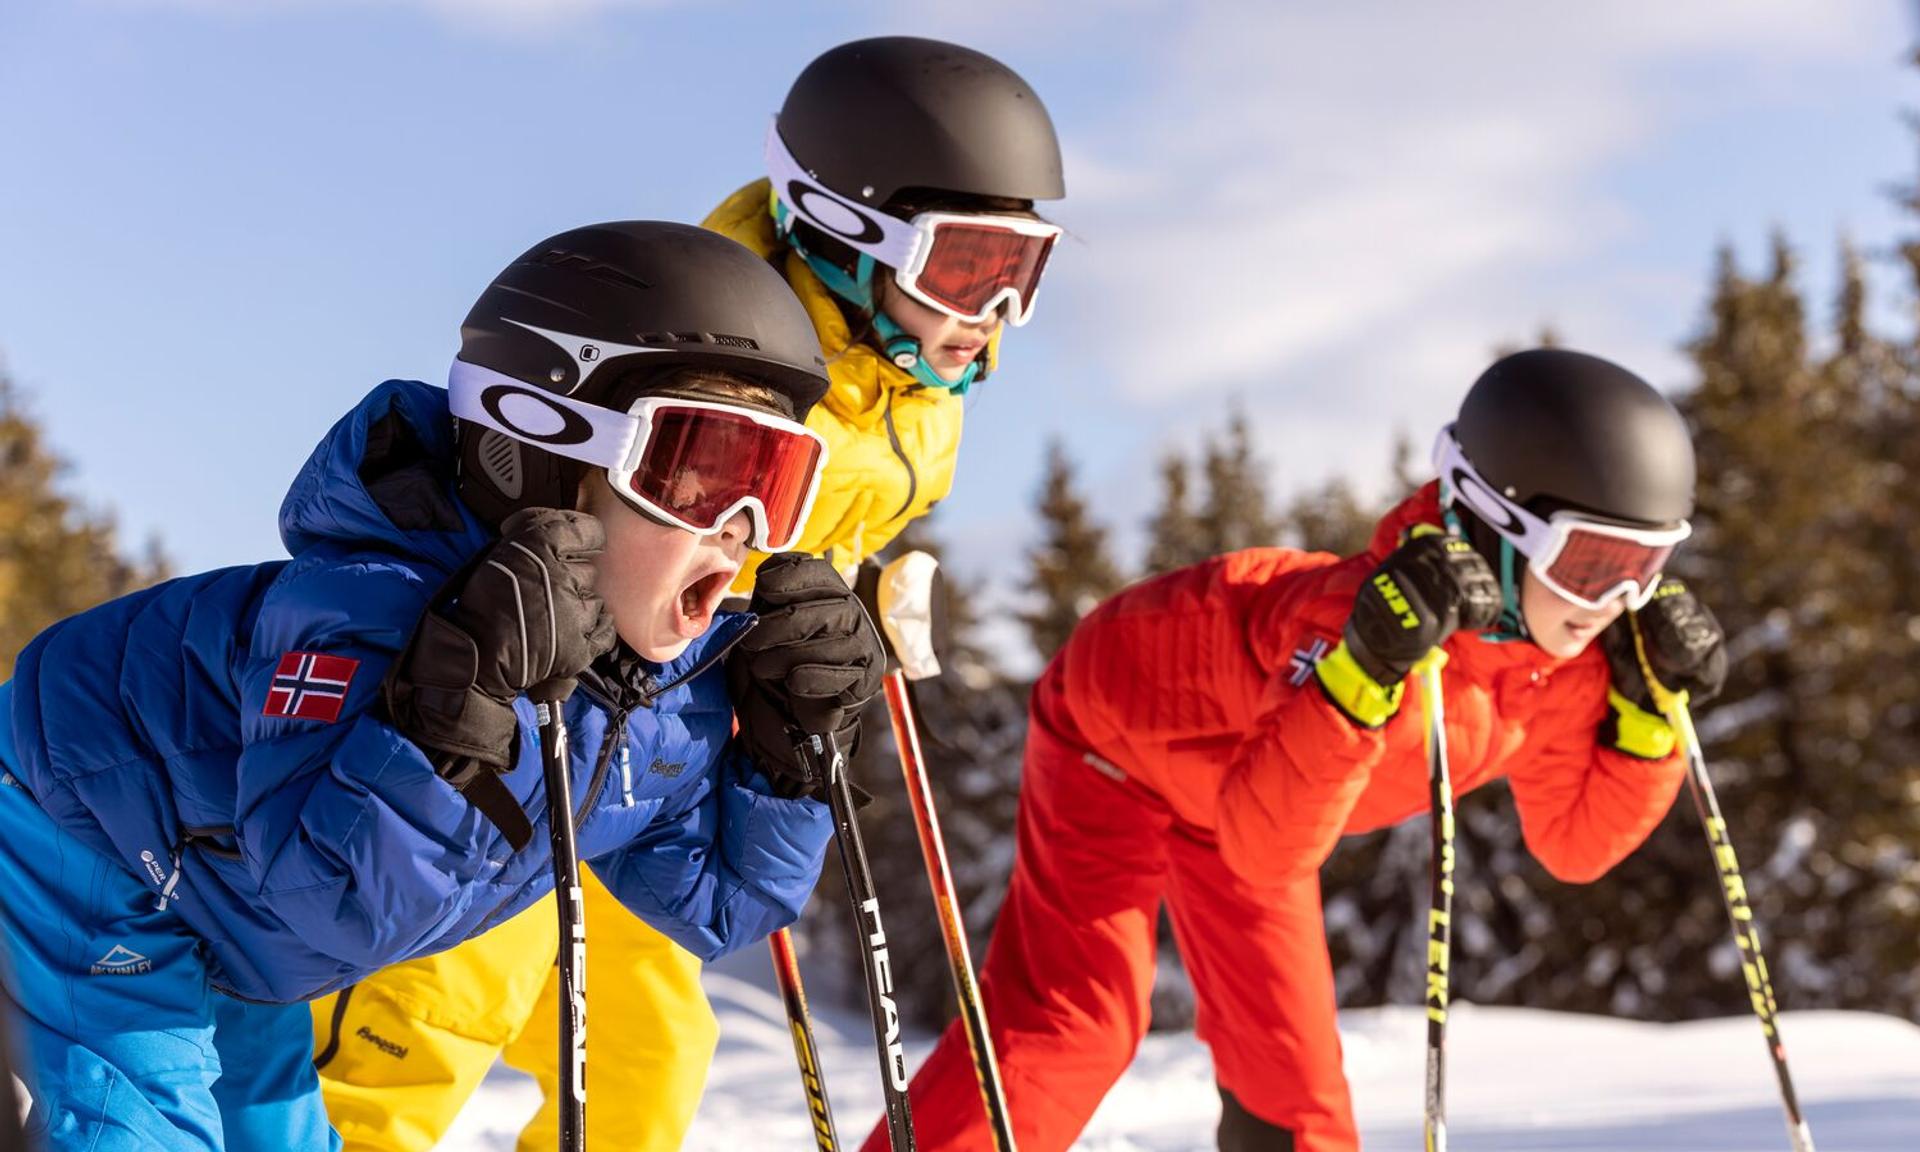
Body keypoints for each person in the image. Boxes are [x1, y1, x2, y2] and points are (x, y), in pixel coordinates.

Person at [313, 35, 1066, 1152]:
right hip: (525, 737)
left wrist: (846, 620)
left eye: (1023, 273)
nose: (989, 314)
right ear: (846, 227)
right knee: (432, 1015)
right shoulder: (710, 340)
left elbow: (821, 540)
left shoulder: (919, 399)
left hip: (656, 770)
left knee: (647, 1060)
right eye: (965, 270)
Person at [0, 219, 883, 1151]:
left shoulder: (655, 691)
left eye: (774, 484)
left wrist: (785, 767)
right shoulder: (366, 615)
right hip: (77, 830)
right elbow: (335, 902)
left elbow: (719, 906)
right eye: (697, 476)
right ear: (536, 451)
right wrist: (449, 711)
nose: (739, 528)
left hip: (234, 926)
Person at [877, 349, 1730, 1152]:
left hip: (1253, 801)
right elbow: (1267, 847)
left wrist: (1646, 718)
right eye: (1592, 564)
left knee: (1296, 1084)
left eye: (1647, 568)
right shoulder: (1352, 627)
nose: (1617, 602)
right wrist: (1361, 677)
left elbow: (1574, 845)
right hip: (1117, 743)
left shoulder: (1561, 669)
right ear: (1497, 523)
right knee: (1076, 1026)